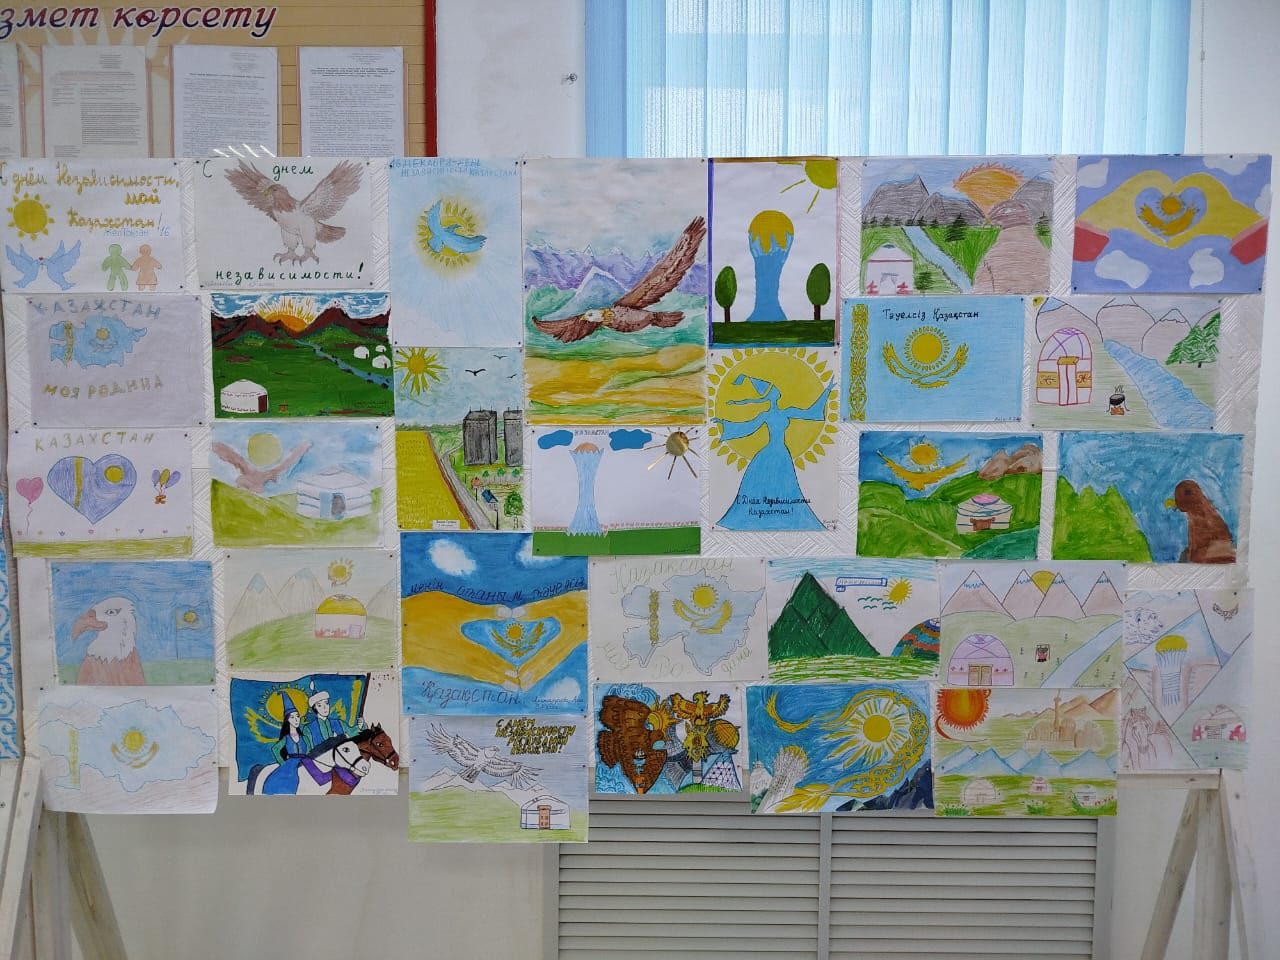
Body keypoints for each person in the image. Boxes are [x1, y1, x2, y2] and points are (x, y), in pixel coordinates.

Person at [714, 373, 833, 530]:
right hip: (771, 453)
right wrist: (724, 423)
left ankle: (783, 518)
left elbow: (811, 413)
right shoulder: (767, 415)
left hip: (780, 452)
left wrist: (827, 391)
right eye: (775, 390)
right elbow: (748, 427)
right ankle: (756, 518)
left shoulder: (786, 411)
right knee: (759, 484)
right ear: (772, 396)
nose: (778, 391)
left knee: (785, 485)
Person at [304, 687, 362, 753]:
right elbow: (308, 751)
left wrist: (359, 726)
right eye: (320, 705)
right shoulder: (308, 729)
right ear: (315, 708)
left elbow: (350, 733)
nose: (324, 707)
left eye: (326, 703)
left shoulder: (338, 723)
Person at [272, 697, 312, 765]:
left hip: (305, 764)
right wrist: (283, 763)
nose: (296, 720)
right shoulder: (286, 738)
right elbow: (275, 749)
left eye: (297, 716)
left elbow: (309, 752)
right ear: (287, 720)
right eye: (292, 717)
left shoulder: (305, 738)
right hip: (291, 765)